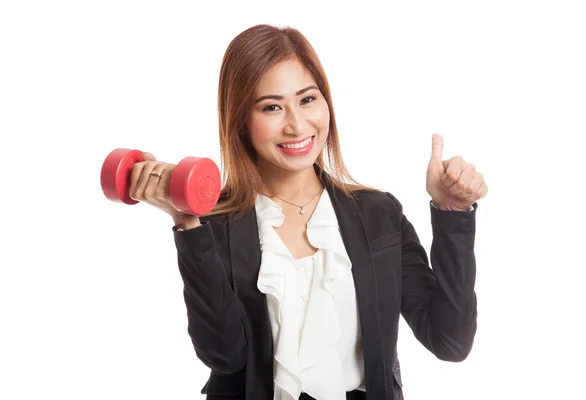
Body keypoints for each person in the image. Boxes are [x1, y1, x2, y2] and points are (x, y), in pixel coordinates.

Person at [127, 24, 488, 400]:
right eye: (271, 107)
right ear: (240, 122)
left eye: (307, 99)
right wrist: (187, 224)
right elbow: (225, 355)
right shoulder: (214, 225)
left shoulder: (378, 214)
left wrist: (452, 213)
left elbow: (450, 342)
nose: (296, 125)